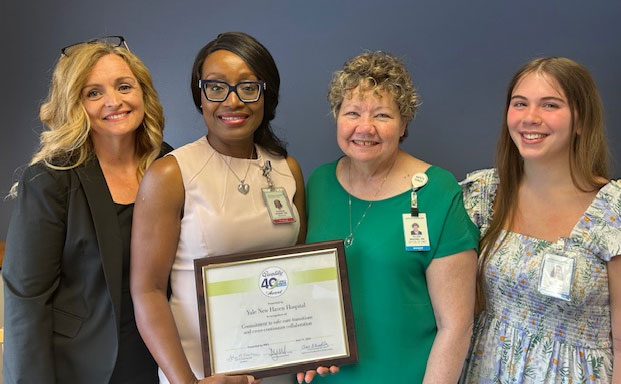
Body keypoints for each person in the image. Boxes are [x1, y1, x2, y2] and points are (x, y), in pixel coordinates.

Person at [130, 32, 317, 384]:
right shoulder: (171, 174)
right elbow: (147, 291)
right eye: (216, 87)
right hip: (200, 374)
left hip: (279, 369)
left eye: (248, 87)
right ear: (200, 96)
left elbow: (298, 271)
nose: (233, 101)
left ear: (267, 95)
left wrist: (318, 345)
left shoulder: (287, 169)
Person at [459, 57, 621, 383]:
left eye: (550, 105)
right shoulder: (483, 196)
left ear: (581, 121)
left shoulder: (618, 217)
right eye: (520, 104)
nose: (531, 118)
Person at [3, 36, 170, 383]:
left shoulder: (169, 166)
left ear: (143, 93)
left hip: (164, 362)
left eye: (124, 86)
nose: (114, 101)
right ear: (74, 104)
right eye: (93, 93)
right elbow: (27, 302)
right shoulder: (50, 180)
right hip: (84, 368)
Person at [305, 51, 479, 383]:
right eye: (352, 112)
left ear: (404, 123)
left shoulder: (437, 192)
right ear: (336, 116)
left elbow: (456, 325)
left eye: (382, 115)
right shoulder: (318, 184)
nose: (365, 128)